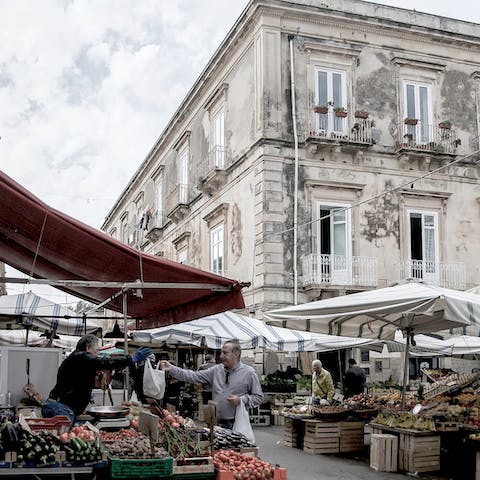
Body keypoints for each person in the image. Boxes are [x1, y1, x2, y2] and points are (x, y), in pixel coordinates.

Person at [42, 334, 152, 424]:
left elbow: (78, 382)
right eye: (97, 350)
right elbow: (102, 362)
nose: (98, 353)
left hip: (60, 406)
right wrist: (131, 359)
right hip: (61, 408)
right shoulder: (81, 356)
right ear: (88, 347)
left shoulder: (77, 359)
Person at [161, 340, 263, 429]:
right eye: (221, 353)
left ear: (235, 354)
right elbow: (193, 376)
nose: (221, 356)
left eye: (225, 353)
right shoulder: (217, 370)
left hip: (236, 423)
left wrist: (241, 400)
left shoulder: (249, 373)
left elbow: (258, 397)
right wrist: (172, 369)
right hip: (215, 422)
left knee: (234, 451)